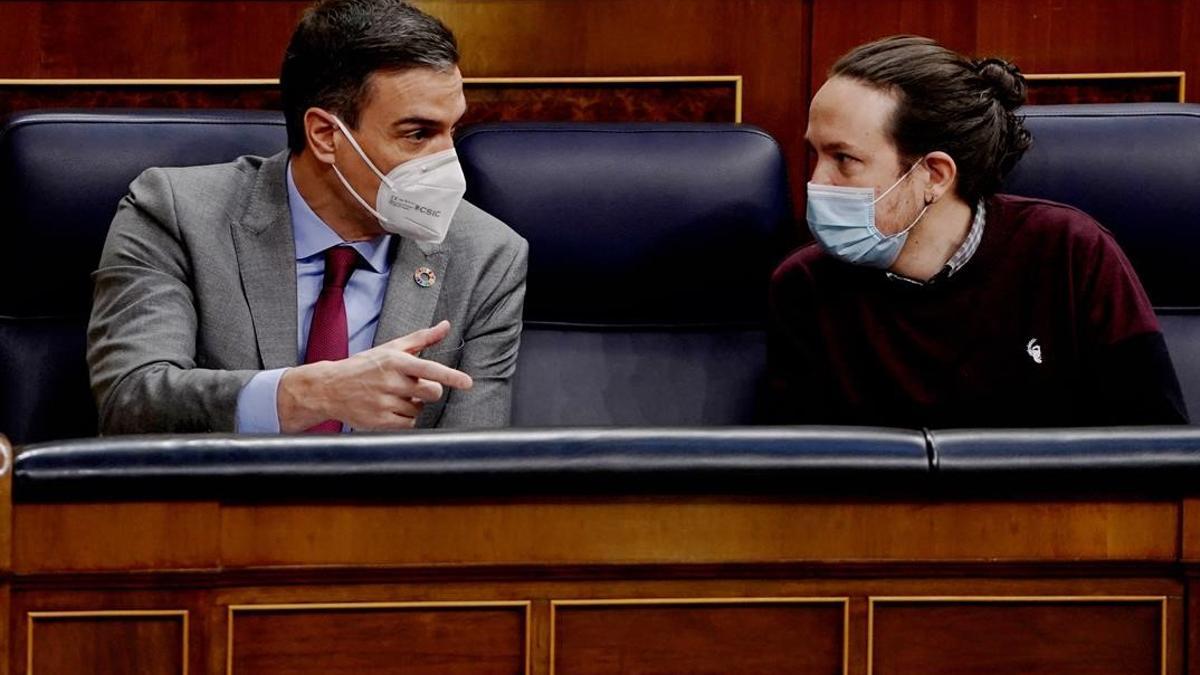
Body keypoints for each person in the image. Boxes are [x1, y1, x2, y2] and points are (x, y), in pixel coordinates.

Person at [87, 0, 528, 433]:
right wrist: (314, 395)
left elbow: (472, 466)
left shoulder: (487, 255)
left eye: (452, 130)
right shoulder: (177, 213)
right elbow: (132, 402)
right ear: (324, 136)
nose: (447, 161)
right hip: (220, 503)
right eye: (418, 134)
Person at [769, 35, 1188, 427]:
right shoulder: (803, 285)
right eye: (815, 154)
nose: (816, 182)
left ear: (934, 174)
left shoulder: (1071, 253)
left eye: (843, 158)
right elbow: (798, 478)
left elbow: (1159, 455)